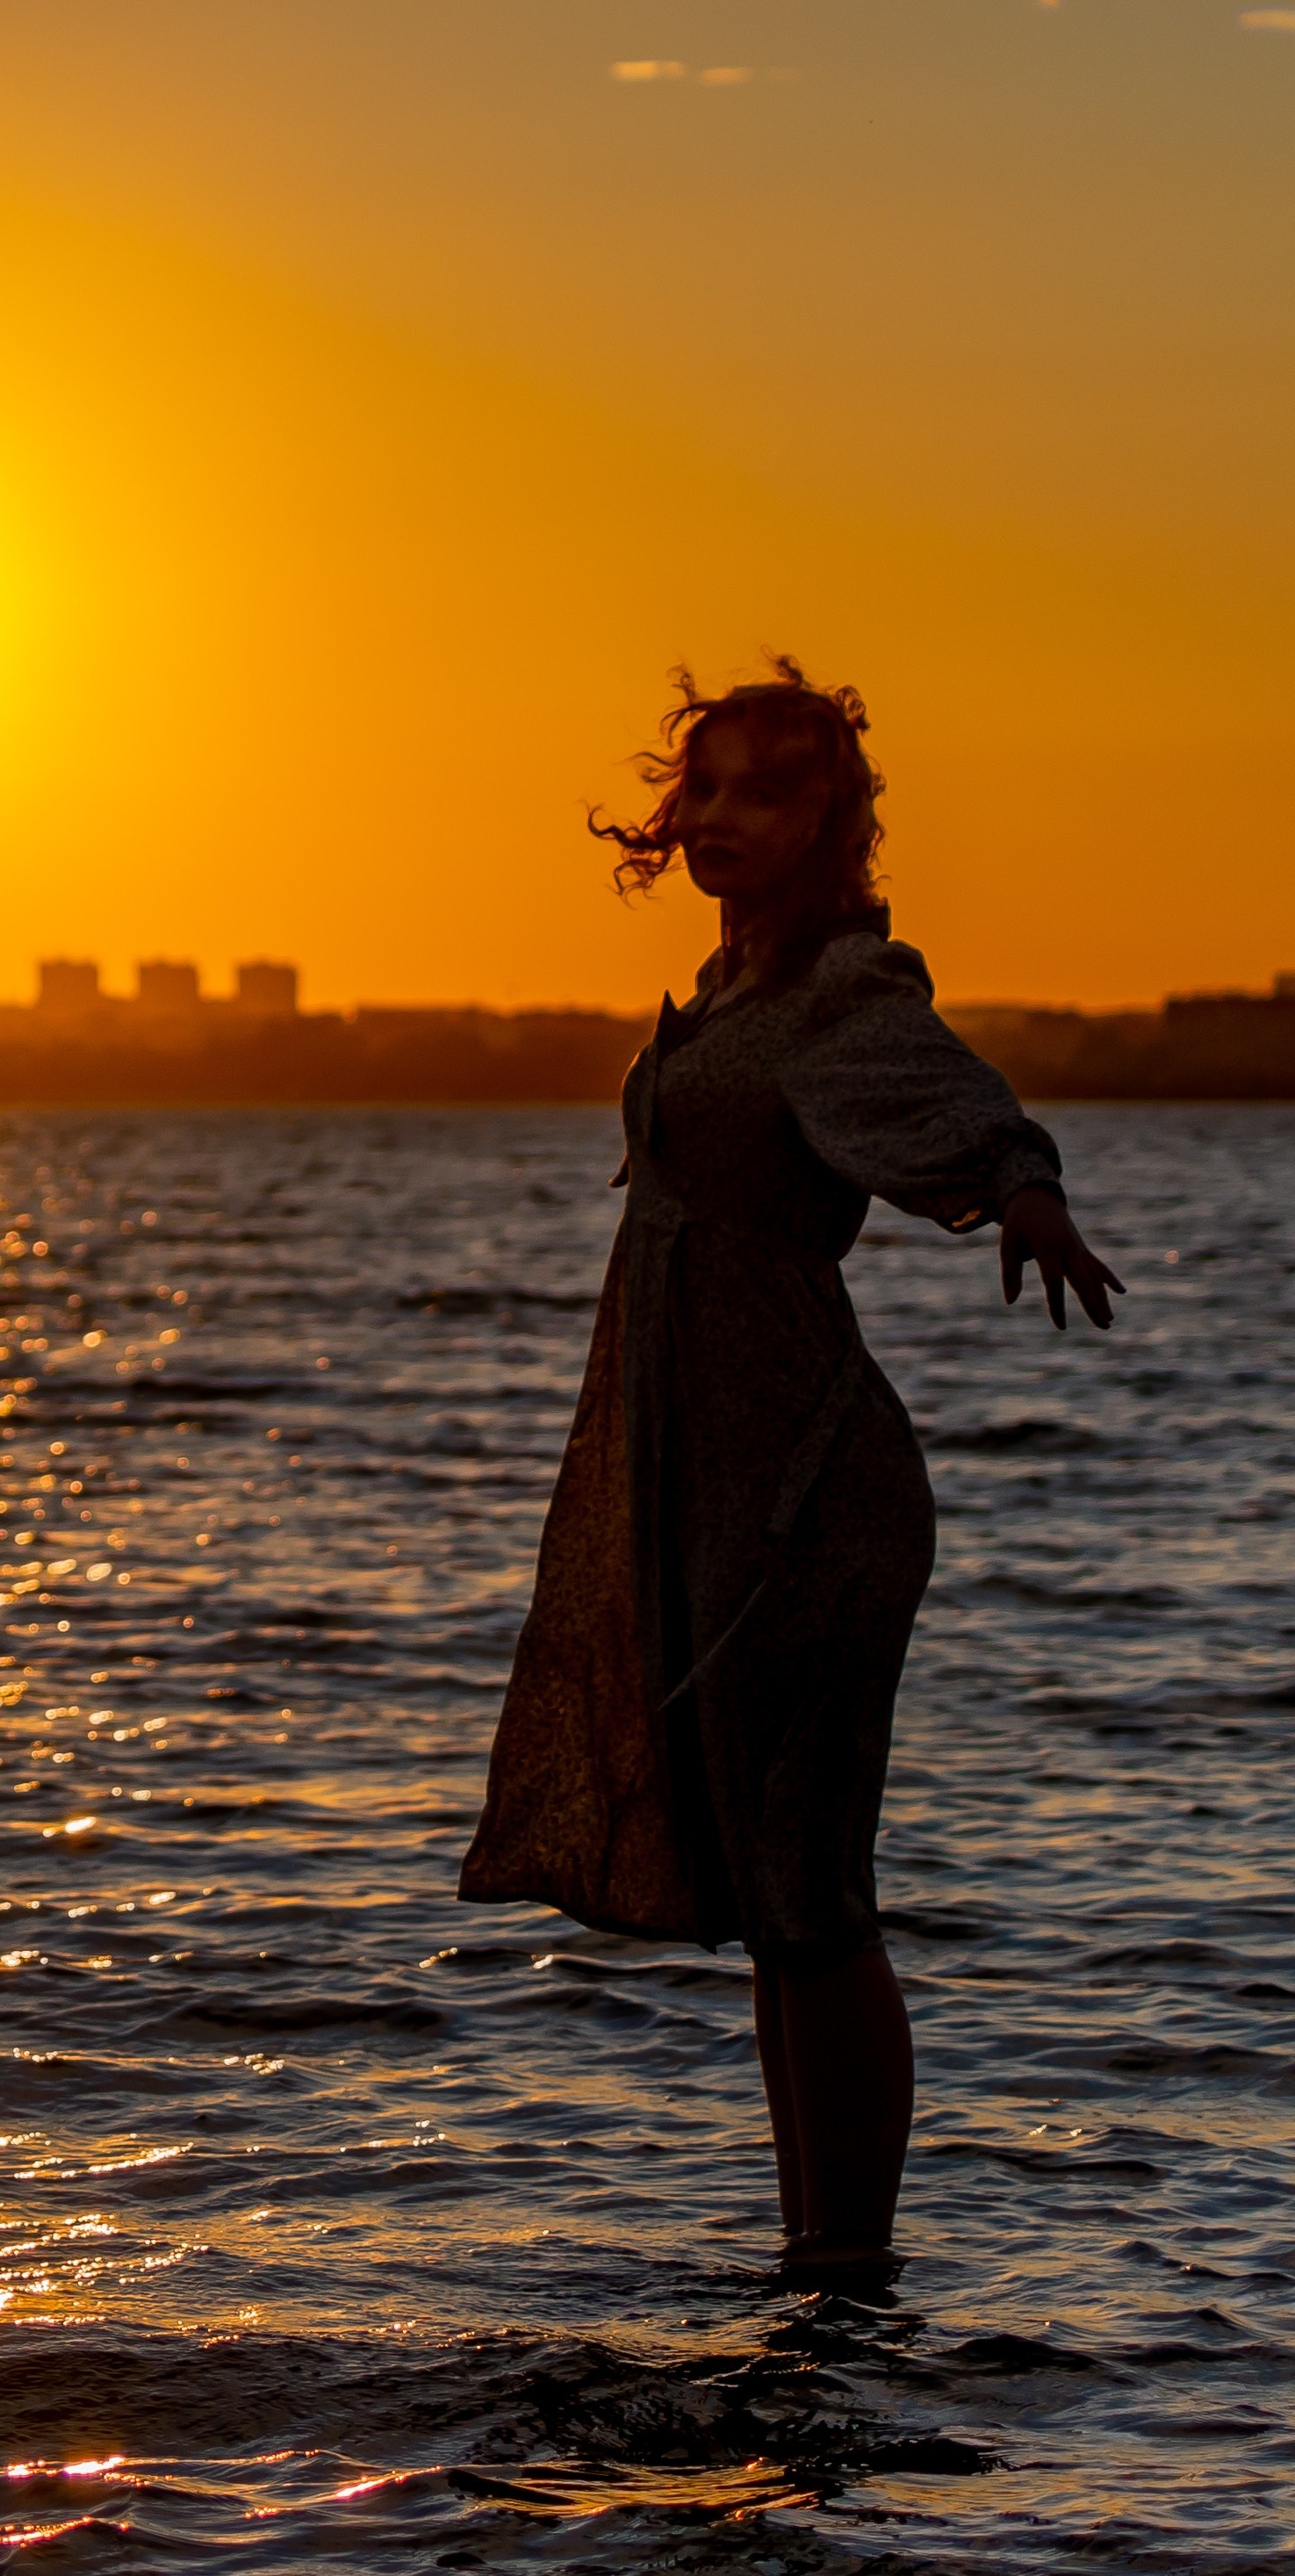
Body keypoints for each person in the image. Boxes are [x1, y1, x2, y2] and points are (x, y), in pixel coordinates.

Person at [459, 658, 1119, 2282]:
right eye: (710, 786)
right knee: (774, 1900)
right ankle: (811, 2265)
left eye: (770, 790)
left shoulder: (839, 985)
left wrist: (1019, 1185)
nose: (724, 818)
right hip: (711, 1490)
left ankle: (855, 2276)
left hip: (810, 1498)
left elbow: (947, 1091)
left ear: (834, 821)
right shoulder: (733, 988)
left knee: (814, 1895)